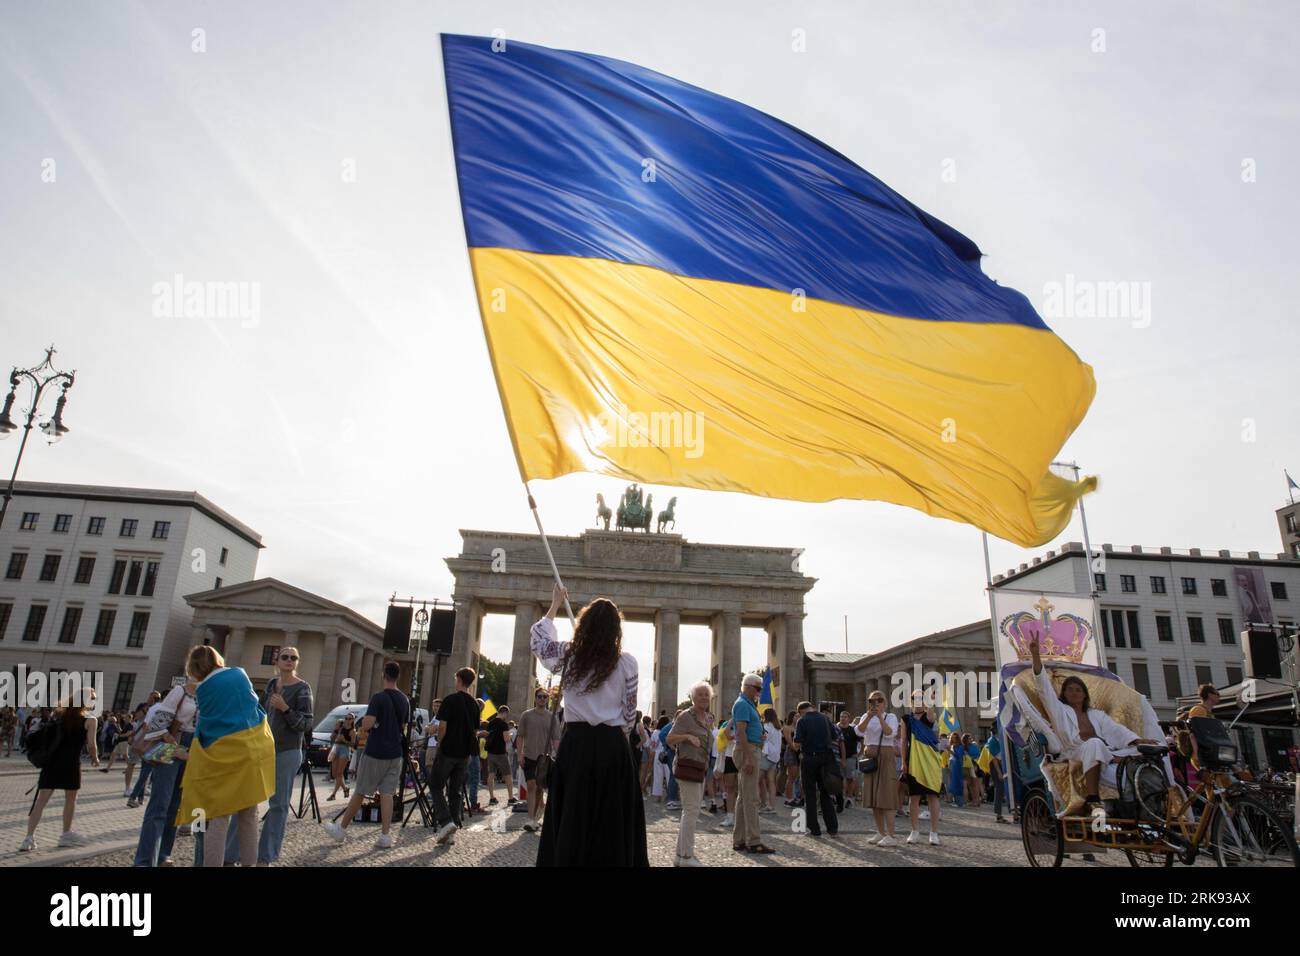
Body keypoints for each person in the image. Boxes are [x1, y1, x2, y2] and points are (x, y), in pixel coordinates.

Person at [530, 583, 648, 866]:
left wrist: (555, 604)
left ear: (583, 624)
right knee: (612, 820)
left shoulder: (569, 656)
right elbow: (630, 713)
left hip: (577, 745)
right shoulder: (626, 663)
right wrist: (617, 732)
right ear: (615, 630)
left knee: (574, 814)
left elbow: (539, 642)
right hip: (612, 746)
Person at [1029, 636, 1155, 809]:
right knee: (1094, 743)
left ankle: (1148, 804)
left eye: (1078, 690)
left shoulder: (1097, 715)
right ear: (1063, 694)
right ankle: (1093, 796)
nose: (1074, 693)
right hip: (1073, 752)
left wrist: (1137, 741)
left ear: (1084, 695)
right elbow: (1043, 688)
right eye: (1070, 690)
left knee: (1145, 751)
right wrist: (1036, 655)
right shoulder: (1059, 710)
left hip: (1103, 751)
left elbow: (1116, 730)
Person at [178, 644, 276, 867]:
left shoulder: (202, 691)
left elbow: (205, 726)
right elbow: (255, 707)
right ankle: (250, 864)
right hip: (252, 750)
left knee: (220, 816)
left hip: (224, 755)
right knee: (249, 815)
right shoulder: (239, 674)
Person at [322, 661, 409, 849]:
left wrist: (364, 726)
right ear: (398, 676)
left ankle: (341, 829)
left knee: (360, 791)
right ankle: (385, 836)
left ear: (383, 675)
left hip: (376, 751)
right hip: (395, 753)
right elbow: (403, 726)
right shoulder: (404, 700)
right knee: (387, 794)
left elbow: (368, 724)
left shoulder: (379, 698)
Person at [20, 688, 99, 851]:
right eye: (93, 698)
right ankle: (65, 835)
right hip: (71, 765)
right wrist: (95, 759)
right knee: (71, 800)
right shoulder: (90, 720)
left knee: (41, 801)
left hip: (52, 763)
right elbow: (92, 745)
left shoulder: (59, 716)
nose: (94, 701)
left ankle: (28, 838)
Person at [257, 645, 314, 865]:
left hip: (288, 751)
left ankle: (266, 857)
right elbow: (260, 713)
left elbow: (306, 724)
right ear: (277, 661)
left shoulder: (303, 688)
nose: (289, 660)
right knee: (247, 802)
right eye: (285, 657)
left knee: (279, 805)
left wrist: (285, 709)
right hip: (264, 750)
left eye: (294, 658)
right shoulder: (271, 685)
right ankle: (233, 854)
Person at [133, 680, 198, 866]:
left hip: (193, 745)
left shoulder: (208, 693)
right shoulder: (180, 691)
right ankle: (145, 861)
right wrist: (175, 748)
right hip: (171, 743)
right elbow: (156, 727)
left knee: (175, 805)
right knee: (160, 804)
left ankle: (162, 855)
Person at [429, 668, 480, 845]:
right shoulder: (474, 704)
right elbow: (474, 731)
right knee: (455, 790)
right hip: (464, 754)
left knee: (435, 785)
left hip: (448, 750)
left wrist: (439, 743)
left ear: (458, 679)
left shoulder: (450, 700)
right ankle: (451, 831)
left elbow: (442, 726)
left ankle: (446, 821)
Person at [668, 681, 714, 866]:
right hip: (687, 767)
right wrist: (687, 737)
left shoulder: (708, 717)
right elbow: (670, 738)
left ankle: (680, 856)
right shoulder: (686, 716)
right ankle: (687, 857)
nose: (704, 697)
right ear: (692, 697)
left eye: (706, 694)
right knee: (691, 811)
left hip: (700, 767)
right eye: (700, 694)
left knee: (690, 811)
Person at [730, 673, 775, 854]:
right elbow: (740, 733)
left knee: (744, 797)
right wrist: (749, 757)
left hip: (750, 749)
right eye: (758, 688)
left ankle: (740, 839)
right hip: (748, 752)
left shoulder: (747, 704)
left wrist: (760, 734)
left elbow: (745, 730)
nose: (760, 692)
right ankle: (754, 841)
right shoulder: (742, 704)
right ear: (747, 687)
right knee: (751, 798)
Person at [855, 691, 900, 845]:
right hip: (870, 757)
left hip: (885, 756)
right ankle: (880, 832)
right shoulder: (865, 716)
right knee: (874, 798)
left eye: (879, 700)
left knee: (886, 796)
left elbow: (890, 733)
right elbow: (859, 731)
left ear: (884, 702)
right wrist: (869, 716)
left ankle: (891, 835)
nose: (876, 703)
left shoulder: (891, 717)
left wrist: (880, 716)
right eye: (872, 700)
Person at [900, 691, 943, 845]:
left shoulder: (929, 716)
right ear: (911, 700)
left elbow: (931, 716)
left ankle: (934, 832)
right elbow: (903, 741)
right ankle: (915, 831)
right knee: (914, 797)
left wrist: (929, 702)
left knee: (933, 796)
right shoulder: (906, 719)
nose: (918, 701)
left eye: (921, 698)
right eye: (915, 698)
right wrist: (904, 762)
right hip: (914, 761)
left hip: (931, 760)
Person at [516, 688, 559, 833]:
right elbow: (520, 736)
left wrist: (558, 755)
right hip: (528, 755)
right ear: (535, 698)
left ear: (547, 699)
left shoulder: (552, 717)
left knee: (539, 788)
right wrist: (519, 755)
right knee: (531, 785)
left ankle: (535, 816)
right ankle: (531, 819)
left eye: (545, 697)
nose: (542, 699)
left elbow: (556, 739)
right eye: (539, 696)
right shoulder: (526, 715)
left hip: (544, 759)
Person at [792, 701, 838, 837]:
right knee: (826, 793)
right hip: (825, 759)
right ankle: (832, 829)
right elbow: (835, 737)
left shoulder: (802, 721)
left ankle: (814, 829)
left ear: (801, 711)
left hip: (809, 759)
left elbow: (797, 743)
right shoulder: (825, 719)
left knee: (810, 794)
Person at [484, 705, 515, 806]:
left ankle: (492, 797)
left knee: (491, 774)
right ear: (505, 713)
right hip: (500, 753)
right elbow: (506, 739)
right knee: (508, 775)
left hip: (491, 752)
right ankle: (510, 798)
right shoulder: (503, 724)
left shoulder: (490, 723)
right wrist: (510, 735)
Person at [327, 714, 356, 800]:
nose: (347, 720)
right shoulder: (341, 727)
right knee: (334, 774)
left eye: (349, 719)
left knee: (339, 773)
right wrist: (335, 731)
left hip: (344, 750)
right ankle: (345, 789)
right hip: (336, 748)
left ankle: (333, 794)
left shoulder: (352, 731)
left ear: (353, 720)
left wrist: (344, 740)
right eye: (346, 718)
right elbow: (332, 737)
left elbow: (353, 744)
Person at [760, 709, 782, 812]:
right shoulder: (778, 728)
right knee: (771, 781)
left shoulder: (766, 726)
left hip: (766, 755)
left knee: (757, 780)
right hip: (775, 757)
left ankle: (761, 804)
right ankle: (771, 806)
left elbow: (763, 738)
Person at [837, 710, 860, 809]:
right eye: (841, 716)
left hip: (851, 757)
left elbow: (863, 741)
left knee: (850, 778)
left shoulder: (853, 730)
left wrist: (860, 753)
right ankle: (840, 796)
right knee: (839, 778)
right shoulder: (836, 729)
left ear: (849, 718)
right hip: (838, 757)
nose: (843, 718)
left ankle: (849, 798)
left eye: (845, 717)